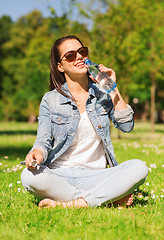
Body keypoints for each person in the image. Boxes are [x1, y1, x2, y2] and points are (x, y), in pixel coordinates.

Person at [21, 35, 148, 208]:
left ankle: (74, 203)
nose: (79, 57)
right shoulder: (50, 100)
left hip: (97, 175)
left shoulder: (103, 94)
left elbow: (126, 126)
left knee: (139, 167)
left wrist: (113, 88)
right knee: (28, 176)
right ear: (60, 66)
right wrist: (37, 153)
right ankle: (105, 198)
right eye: (71, 55)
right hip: (60, 174)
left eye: (82, 52)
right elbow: (43, 141)